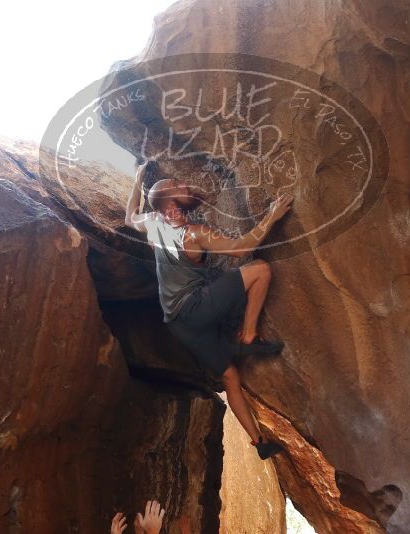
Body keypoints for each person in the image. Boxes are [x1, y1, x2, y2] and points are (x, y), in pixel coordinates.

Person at [124, 160, 294, 460]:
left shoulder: (151, 223)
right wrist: (271, 217)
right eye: (177, 188)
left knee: (229, 377)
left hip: (177, 324)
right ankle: (249, 337)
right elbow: (242, 249)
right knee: (260, 270)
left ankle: (259, 444)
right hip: (195, 307)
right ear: (170, 206)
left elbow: (129, 217)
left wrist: (138, 178)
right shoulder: (194, 233)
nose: (184, 186)